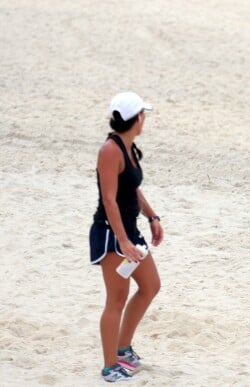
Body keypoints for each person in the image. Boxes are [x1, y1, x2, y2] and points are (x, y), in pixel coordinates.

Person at [89, 92, 163, 382]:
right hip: (111, 233)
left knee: (150, 286)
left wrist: (152, 217)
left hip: (129, 230)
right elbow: (109, 200)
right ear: (137, 118)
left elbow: (132, 189)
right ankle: (110, 367)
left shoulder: (129, 148)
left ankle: (123, 348)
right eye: (144, 114)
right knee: (116, 299)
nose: (145, 119)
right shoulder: (110, 150)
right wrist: (122, 240)